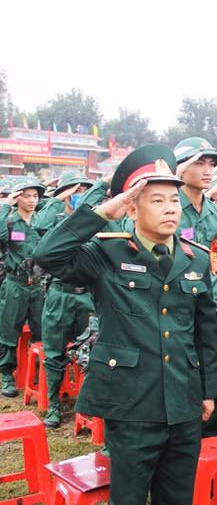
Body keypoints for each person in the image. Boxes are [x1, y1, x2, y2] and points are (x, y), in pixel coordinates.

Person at [34, 145, 217, 504]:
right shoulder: (107, 253)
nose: (170, 208)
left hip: (183, 400)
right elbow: (47, 255)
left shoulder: (195, 258)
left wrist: (209, 389)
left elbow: (206, 332)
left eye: (174, 200)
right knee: (129, 496)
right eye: (156, 200)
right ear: (131, 208)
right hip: (132, 403)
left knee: (178, 495)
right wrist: (105, 211)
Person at [31, 172, 95, 427]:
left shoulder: (96, 219)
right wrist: (60, 198)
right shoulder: (56, 218)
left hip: (89, 295)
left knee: (93, 352)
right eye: (76, 189)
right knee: (55, 353)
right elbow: (39, 224)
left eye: (85, 189)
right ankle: (54, 406)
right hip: (60, 294)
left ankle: (88, 405)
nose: (80, 193)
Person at [173, 137, 217, 300]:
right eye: (199, 163)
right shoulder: (167, 210)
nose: (208, 171)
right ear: (180, 167)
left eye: (211, 164)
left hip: (213, 300)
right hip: (178, 300)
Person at [0, 177, 47, 398]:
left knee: (41, 330)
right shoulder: (9, 222)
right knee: (9, 331)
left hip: (37, 286)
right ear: (17, 198)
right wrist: (5, 206)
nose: (31, 200)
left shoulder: (41, 221)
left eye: (35, 196)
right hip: (15, 285)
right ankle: (7, 375)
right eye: (26, 196)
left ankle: (38, 372)